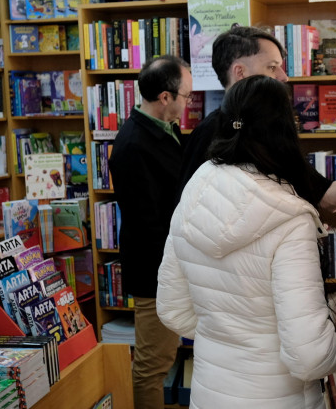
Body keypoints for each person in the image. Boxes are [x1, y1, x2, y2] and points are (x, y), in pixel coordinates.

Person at [157, 75, 336, 408]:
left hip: (210, 393)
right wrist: (335, 347)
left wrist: (225, 338)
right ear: (283, 130)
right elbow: (310, 356)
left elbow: (172, 310)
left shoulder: (194, 196)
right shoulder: (290, 217)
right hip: (278, 398)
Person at [176, 26, 336, 214]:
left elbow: (325, 197)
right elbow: (189, 212)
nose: (284, 77)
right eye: (272, 67)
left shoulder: (272, 130)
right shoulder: (208, 133)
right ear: (240, 72)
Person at [107, 55, 192, 409]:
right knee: (152, 364)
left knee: (164, 353)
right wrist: (177, 270)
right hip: (157, 272)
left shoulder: (165, 129)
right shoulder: (132, 146)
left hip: (171, 266)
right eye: (185, 96)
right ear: (165, 97)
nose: (188, 102)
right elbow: (147, 225)